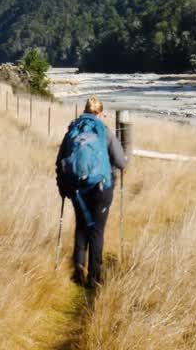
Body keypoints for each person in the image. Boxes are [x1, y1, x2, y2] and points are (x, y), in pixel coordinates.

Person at [56, 96, 128, 288]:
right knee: (97, 231)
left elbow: (60, 161)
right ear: (101, 113)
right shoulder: (105, 132)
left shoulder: (73, 130)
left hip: (77, 188)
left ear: (85, 110)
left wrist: (63, 188)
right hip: (101, 188)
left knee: (81, 227)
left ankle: (78, 270)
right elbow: (121, 162)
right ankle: (94, 278)